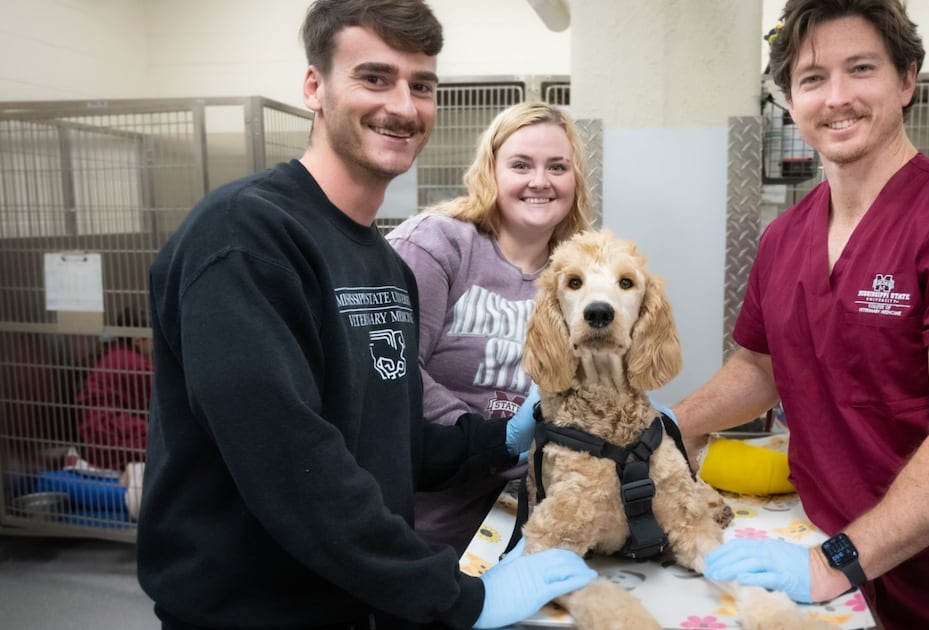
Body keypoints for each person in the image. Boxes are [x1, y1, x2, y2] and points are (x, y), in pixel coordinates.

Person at [136, 2, 595, 629]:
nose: (403, 107)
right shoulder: (246, 237)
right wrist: (458, 596)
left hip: (359, 600)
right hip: (253, 611)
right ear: (314, 88)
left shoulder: (384, 265)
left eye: (421, 85)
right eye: (374, 78)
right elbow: (291, 462)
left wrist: (503, 437)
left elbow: (393, 441)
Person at [681, 1, 929, 628]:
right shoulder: (785, 237)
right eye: (811, 79)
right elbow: (762, 364)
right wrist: (672, 425)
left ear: (906, 78)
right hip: (834, 557)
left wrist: (836, 563)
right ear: (789, 100)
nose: (836, 98)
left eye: (860, 69)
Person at [385, 101, 593, 555]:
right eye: (521, 165)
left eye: (557, 166)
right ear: (490, 171)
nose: (540, 181)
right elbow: (392, 370)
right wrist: (489, 439)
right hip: (427, 523)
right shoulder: (435, 244)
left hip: (534, 516)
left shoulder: (577, 273)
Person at [75, 307, 154, 471]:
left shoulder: (117, 352)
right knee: (157, 436)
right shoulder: (133, 363)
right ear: (138, 340)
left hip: (95, 427)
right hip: (104, 428)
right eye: (152, 339)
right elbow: (157, 393)